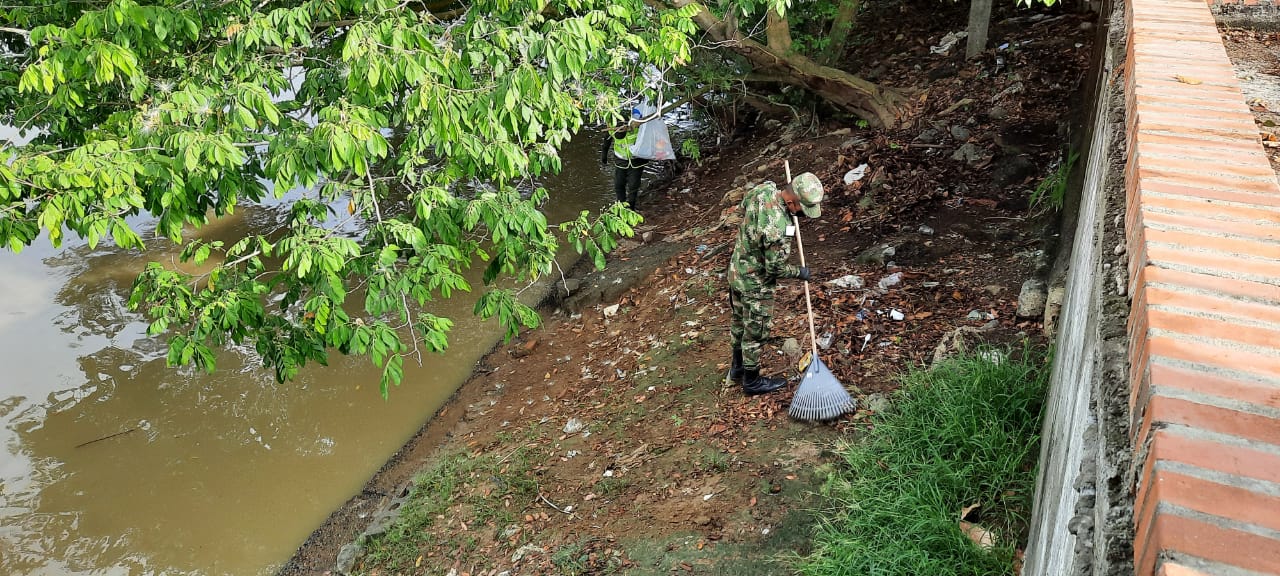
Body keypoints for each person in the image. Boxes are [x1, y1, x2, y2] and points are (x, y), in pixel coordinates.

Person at [726, 172, 825, 395]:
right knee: (755, 331)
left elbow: (744, 205)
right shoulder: (778, 230)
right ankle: (751, 382)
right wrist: (799, 272)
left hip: (736, 270)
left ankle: (737, 368)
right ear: (791, 202)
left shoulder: (764, 189)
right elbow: (775, 269)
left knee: (739, 321)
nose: (803, 215)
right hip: (755, 284)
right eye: (802, 209)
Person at [600, 99, 672, 209]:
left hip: (637, 162)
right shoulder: (611, 128)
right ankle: (621, 208)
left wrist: (660, 152)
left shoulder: (637, 128)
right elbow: (606, 142)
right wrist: (604, 157)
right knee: (619, 185)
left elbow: (651, 135)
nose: (618, 133)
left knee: (633, 186)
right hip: (620, 161)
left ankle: (631, 208)